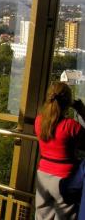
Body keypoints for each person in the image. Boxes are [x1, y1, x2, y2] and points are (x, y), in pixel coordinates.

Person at [35, 81, 85, 220]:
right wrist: (83, 112)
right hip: (65, 179)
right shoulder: (72, 127)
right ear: (68, 102)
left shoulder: (39, 121)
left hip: (43, 175)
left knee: (41, 216)